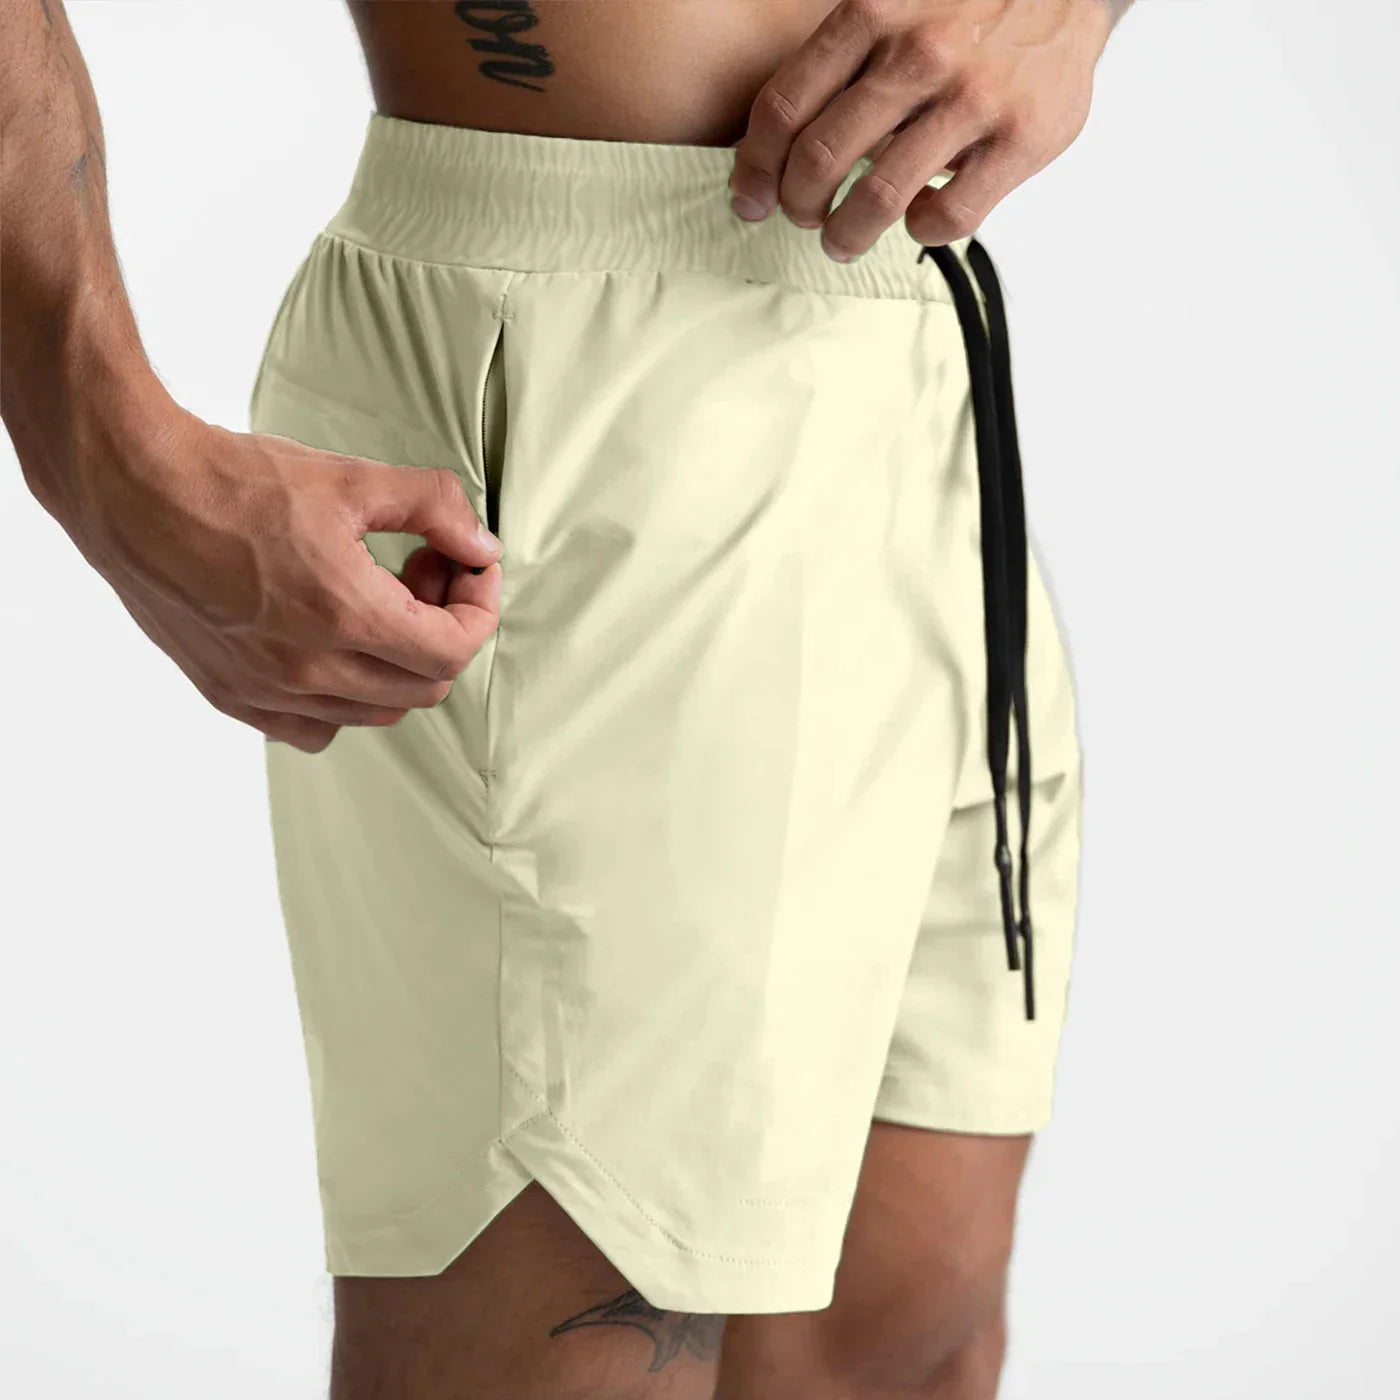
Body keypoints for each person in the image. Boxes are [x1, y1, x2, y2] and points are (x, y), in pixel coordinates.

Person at [0, 2, 1132, 1396]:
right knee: (589, 1349)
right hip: (569, 357)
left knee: (900, 1340)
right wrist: (98, 439)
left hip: (925, 347)